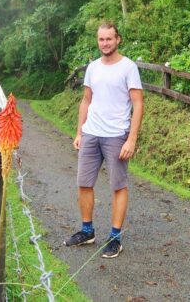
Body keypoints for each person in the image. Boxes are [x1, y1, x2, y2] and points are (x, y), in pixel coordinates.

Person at [63, 21, 143, 258]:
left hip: (117, 134)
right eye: (101, 39)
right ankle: (87, 231)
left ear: (118, 39)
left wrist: (131, 139)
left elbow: (138, 104)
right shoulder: (93, 67)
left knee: (118, 185)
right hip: (91, 133)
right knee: (84, 183)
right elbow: (86, 100)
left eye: (109, 39)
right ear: (97, 41)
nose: (105, 43)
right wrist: (79, 132)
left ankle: (115, 237)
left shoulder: (128, 68)